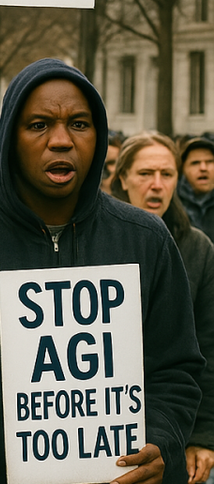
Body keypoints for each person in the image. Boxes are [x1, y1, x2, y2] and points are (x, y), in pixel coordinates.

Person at [0, 59, 203, 483]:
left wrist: (160, 439)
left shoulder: (146, 239)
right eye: (39, 125)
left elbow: (177, 369)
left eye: (79, 124)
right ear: (9, 138)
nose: (60, 141)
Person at [110, 132, 214, 484]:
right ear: (122, 178)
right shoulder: (93, 239)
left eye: (167, 174)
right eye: (145, 173)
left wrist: (201, 437)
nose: (157, 185)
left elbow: (207, 349)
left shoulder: (197, 247)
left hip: (173, 424)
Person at [179, 136, 214, 240]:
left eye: (209, 161)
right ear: (183, 168)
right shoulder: (171, 202)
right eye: (195, 163)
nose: (203, 168)